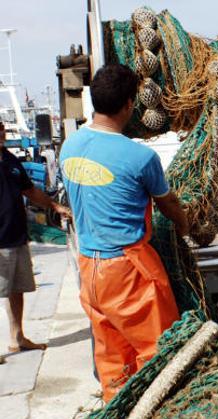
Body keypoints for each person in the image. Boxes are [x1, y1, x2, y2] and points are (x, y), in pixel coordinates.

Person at [60, 64, 190, 401]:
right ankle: (161, 417)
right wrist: (184, 225)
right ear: (130, 105)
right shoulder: (140, 157)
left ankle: (116, 411)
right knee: (159, 351)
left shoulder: (69, 148)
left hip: (89, 266)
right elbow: (169, 205)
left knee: (112, 355)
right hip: (128, 269)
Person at [0, 121, 71, 363]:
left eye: (1, 127)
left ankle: (17, 338)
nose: (0, 131)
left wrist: (54, 206)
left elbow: (30, 191)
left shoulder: (9, 159)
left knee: (17, 289)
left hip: (17, 236)